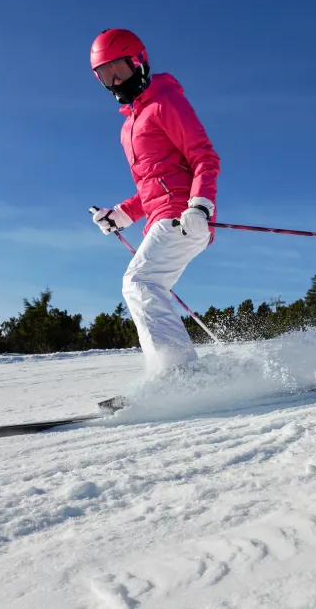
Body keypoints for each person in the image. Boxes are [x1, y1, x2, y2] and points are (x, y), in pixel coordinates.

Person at [89, 28, 220, 374]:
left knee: (140, 283)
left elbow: (204, 156)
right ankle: (173, 372)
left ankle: (180, 374)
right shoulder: (128, 126)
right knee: (145, 286)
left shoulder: (166, 101)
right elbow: (151, 189)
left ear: (140, 62)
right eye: (105, 75)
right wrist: (119, 215)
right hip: (161, 217)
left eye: (120, 69)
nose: (115, 81)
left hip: (183, 217)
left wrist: (201, 205)